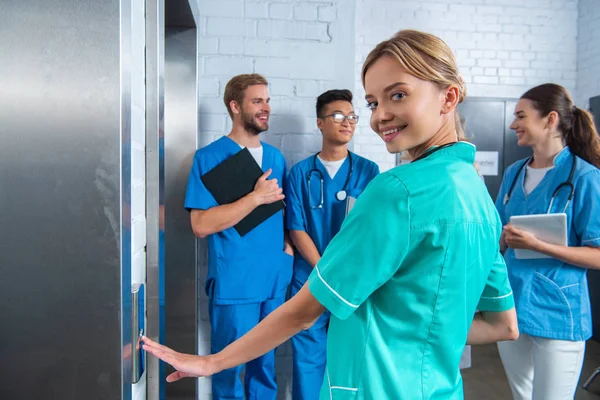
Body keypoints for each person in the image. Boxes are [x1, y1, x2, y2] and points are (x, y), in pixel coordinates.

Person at [142, 30, 519, 399]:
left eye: (398, 95)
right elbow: (503, 325)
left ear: (448, 97)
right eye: (373, 103)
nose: (379, 117)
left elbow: (305, 312)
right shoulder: (480, 198)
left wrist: (211, 363)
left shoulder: (396, 190)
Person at [183, 73, 294, 400]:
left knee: (265, 367)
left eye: (268, 100)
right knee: (226, 368)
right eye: (257, 101)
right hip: (235, 281)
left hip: (273, 280)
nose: (266, 108)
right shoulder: (208, 158)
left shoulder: (275, 158)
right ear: (235, 106)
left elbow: (282, 216)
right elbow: (201, 224)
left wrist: (286, 252)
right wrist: (254, 198)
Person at [495, 83, 600, 400]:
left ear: (550, 119)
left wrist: (539, 245)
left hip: (558, 310)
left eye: (521, 116)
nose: (513, 124)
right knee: (522, 396)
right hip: (511, 307)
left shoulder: (584, 177)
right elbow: (497, 237)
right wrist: (499, 239)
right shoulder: (514, 173)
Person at [284, 89, 379, 399]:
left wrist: (339, 271)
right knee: (308, 363)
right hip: (309, 281)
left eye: (352, 117)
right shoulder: (299, 173)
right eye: (338, 116)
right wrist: (326, 269)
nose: (347, 122)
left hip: (352, 282)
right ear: (320, 123)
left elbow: (370, 230)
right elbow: (297, 228)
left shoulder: (369, 171)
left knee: (349, 362)